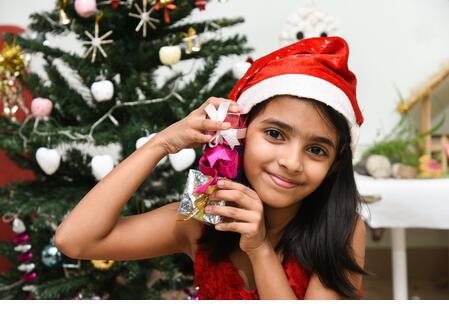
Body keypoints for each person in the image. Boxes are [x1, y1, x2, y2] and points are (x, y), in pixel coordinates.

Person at [55, 36, 369, 300]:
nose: (291, 162)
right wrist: (161, 144)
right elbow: (75, 241)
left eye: (316, 150)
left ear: (334, 164)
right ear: (240, 134)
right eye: (275, 134)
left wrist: (259, 249)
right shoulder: (205, 208)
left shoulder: (342, 226)